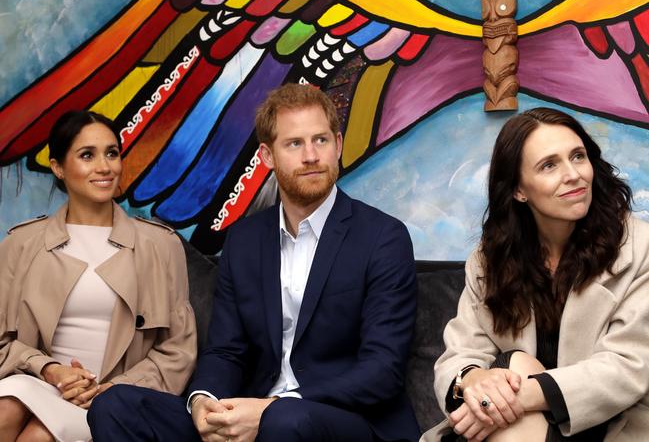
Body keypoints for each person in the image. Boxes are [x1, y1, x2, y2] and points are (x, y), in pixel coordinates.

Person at [88, 83, 421, 442]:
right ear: (267, 156)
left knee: (284, 421)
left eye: (321, 141)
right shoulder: (245, 240)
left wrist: (270, 408)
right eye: (294, 143)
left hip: (346, 421)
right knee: (115, 405)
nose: (311, 155)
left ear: (338, 145)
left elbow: (381, 371)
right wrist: (204, 402)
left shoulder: (383, 237)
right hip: (254, 412)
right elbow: (227, 350)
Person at [421, 107, 649, 442]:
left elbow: (628, 367)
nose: (573, 175)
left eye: (578, 156)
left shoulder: (639, 247)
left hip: (608, 426)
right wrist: (473, 383)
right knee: (514, 365)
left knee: (514, 371)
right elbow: (462, 351)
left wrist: (515, 399)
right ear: (518, 189)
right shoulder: (490, 259)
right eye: (549, 165)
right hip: (509, 424)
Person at [0, 110, 197, 442]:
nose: (105, 167)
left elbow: (178, 349)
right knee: (4, 407)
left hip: (114, 396)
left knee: (39, 435)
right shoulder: (20, 244)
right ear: (57, 167)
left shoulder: (161, 246)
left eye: (112, 153)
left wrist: (110, 390)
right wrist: (50, 370)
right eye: (87, 155)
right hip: (42, 381)